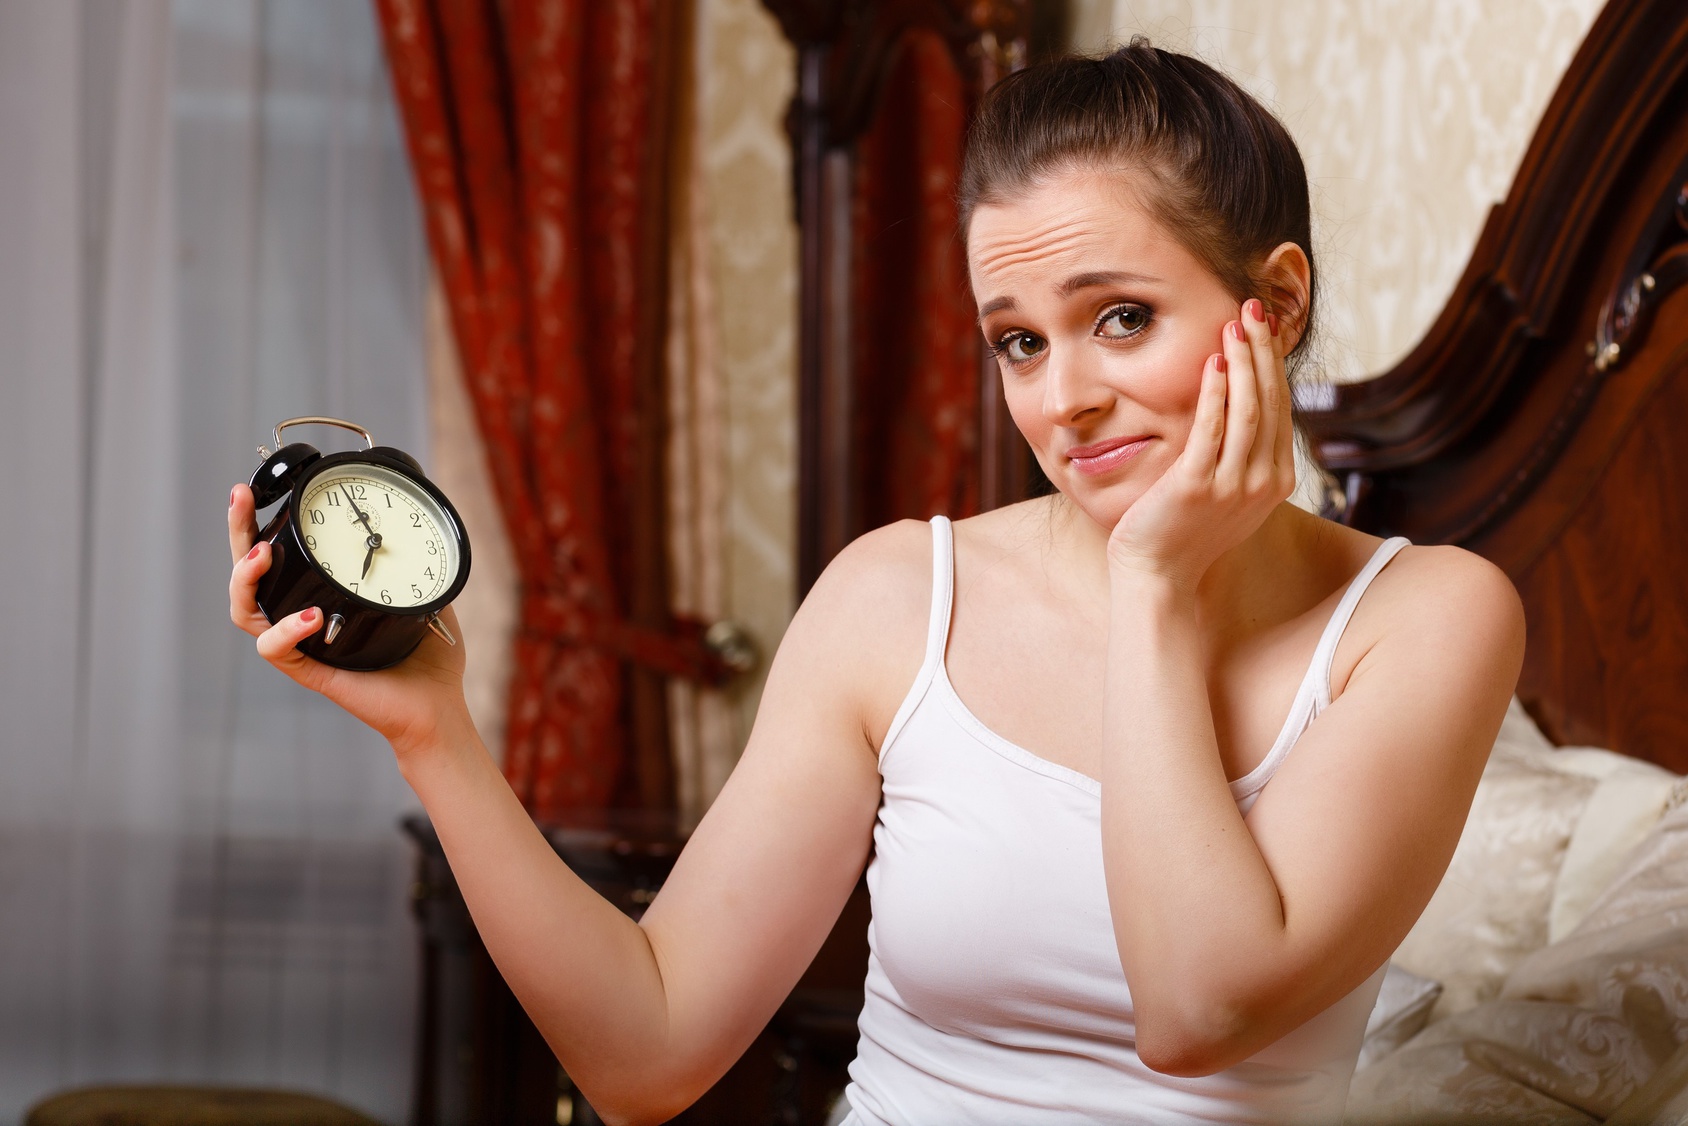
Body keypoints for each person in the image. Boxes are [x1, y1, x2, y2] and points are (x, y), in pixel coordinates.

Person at [227, 40, 1523, 1126]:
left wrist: (1155, 587)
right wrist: (435, 731)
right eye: (1018, 341)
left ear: (1276, 301)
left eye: (1120, 315)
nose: (1063, 399)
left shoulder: (1425, 621)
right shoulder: (899, 595)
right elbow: (647, 1049)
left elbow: (1194, 1009)